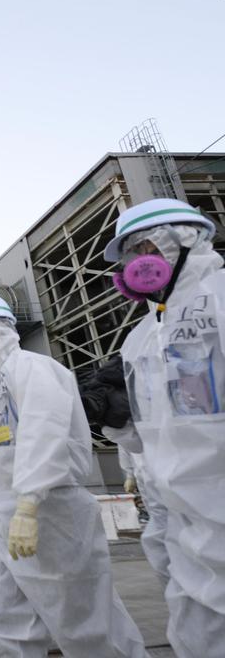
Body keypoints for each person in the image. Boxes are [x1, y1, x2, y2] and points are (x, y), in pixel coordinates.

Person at [0, 293, 147, 658]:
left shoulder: (33, 369)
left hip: (50, 514)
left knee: (85, 624)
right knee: (6, 621)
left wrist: (28, 503)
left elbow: (44, 433)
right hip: (3, 518)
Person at [105, 198, 224, 657]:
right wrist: (116, 421)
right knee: (194, 636)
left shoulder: (219, 298)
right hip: (183, 525)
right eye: (131, 253)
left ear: (185, 240)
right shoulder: (141, 338)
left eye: (146, 247)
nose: (138, 261)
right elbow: (148, 437)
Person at [79, 357, 170, 587]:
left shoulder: (135, 420)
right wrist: (129, 474)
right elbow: (129, 447)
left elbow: (130, 444)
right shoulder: (138, 421)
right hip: (154, 482)